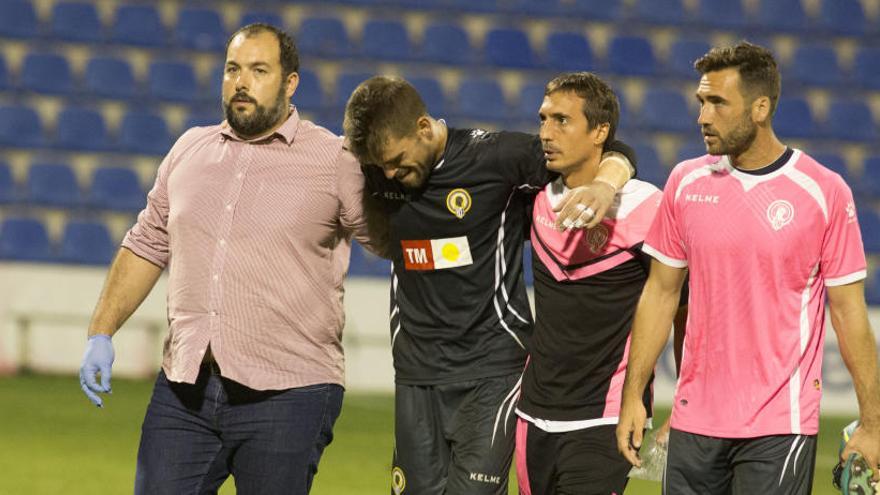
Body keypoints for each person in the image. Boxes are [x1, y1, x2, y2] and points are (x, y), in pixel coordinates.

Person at [78, 24, 385, 494]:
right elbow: (146, 243)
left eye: (259, 70)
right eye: (233, 69)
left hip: (291, 392)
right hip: (186, 388)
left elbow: (387, 241)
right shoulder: (188, 150)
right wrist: (101, 331)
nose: (241, 82)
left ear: (290, 83)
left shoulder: (334, 159)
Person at [343, 75, 636, 495]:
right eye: (380, 167)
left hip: (491, 374)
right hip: (415, 374)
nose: (389, 174)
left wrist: (607, 182)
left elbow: (602, 150)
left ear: (424, 128)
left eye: (397, 160)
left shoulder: (495, 158)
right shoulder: (377, 171)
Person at [616, 41, 880, 494]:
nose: (702, 115)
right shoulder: (685, 181)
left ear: (760, 108)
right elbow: (660, 295)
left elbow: (849, 313)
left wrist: (873, 425)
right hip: (693, 422)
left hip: (780, 425)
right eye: (702, 101)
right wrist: (634, 396)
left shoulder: (823, 191)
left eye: (718, 102)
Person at [514, 72, 687, 495]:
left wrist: (680, 404)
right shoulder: (533, 196)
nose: (546, 133)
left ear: (600, 131)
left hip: (605, 418)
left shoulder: (648, 206)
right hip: (531, 414)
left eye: (561, 121)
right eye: (543, 119)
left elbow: (684, 310)